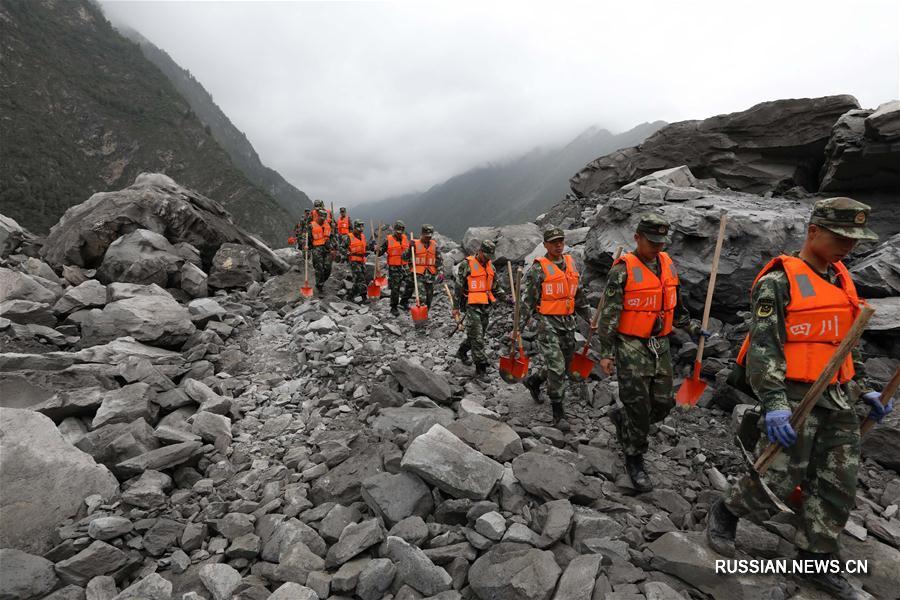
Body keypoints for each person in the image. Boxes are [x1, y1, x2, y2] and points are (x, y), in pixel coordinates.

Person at [706, 198, 887, 600]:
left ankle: (817, 560)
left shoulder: (841, 280)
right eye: (841, 237)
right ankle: (728, 509)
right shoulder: (778, 281)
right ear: (813, 231)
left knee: (838, 482)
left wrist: (863, 389)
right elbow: (764, 348)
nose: (849, 247)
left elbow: (847, 343)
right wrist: (773, 402)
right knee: (779, 476)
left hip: (838, 398)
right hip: (794, 394)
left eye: (855, 239)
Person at [596, 213, 706, 492]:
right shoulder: (622, 270)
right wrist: (606, 352)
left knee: (663, 403)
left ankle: (626, 420)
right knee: (638, 406)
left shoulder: (667, 264)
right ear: (637, 238)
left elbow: (674, 303)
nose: (657, 246)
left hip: (661, 343)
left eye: (661, 241)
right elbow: (609, 315)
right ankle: (634, 457)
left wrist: (691, 326)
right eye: (651, 241)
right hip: (631, 345)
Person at [519, 227, 594, 431]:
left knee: (565, 364)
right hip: (547, 324)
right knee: (557, 367)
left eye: (560, 240)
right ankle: (558, 412)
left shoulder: (570, 264)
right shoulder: (538, 269)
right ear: (545, 245)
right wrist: (518, 327)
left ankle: (534, 380)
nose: (558, 244)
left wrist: (588, 317)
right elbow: (528, 301)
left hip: (568, 323)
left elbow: (577, 295)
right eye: (553, 242)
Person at [454, 240, 505, 378]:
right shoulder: (467, 265)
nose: (488, 257)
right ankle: (480, 369)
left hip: (485, 306)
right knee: (477, 338)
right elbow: (458, 287)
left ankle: (462, 351)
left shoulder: (491, 267)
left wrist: (506, 298)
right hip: (471, 305)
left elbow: (495, 287)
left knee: (478, 335)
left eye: (490, 255)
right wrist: (456, 307)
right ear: (480, 251)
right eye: (486, 254)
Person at [375, 220, 413, 316]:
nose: (399, 233)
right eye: (397, 231)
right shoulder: (388, 240)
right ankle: (394, 307)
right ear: (394, 230)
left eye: (401, 232)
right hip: (394, 268)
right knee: (395, 288)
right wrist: (376, 248)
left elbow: (409, 253)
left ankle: (404, 301)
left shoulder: (405, 239)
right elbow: (379, 253)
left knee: (411, 283)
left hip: (404, 266)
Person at [413, 224, 444, 309]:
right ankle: (421, 320)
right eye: (426, 236)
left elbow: (439, 260)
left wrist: (441, 272)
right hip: (419, 275)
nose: (428, 238)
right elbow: (404, 257)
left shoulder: (435, 246)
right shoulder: (414, 244)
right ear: (422, 234)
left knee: (429, 297)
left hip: (430, 275)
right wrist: (410, 247)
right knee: (421, 297)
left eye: (429, 236)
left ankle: (426, 312)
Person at [307, 208, 335, 293]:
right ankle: (319, 287)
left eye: (324, 217)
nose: (323, 219)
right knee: (319, 268)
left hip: (327, 249)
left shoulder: (328, 225)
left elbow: (332, 237)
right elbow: (307, 239)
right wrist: (307, 249)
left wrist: (334, 247)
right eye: (321, 217)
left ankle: (322, 281)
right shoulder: (311, 225)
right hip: (317, 249)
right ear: (318, 216)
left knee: (328, 268)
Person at [344, 219, 368, 302]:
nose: (360, 230)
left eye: (362, 227)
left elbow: (365, 247)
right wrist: (346, 252)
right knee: (360, 278)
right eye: (359, 228)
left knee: (360, 278)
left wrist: (373, 246)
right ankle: (364, 296)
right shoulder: (349, 237)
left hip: (362, 260)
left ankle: (350, 296)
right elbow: (341, 247)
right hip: (354, 260)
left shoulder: (363, 236)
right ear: (355, 228)